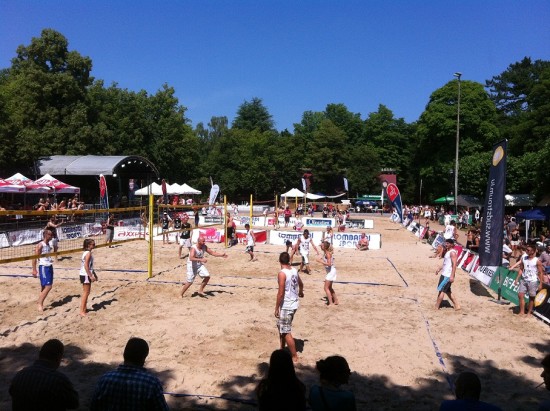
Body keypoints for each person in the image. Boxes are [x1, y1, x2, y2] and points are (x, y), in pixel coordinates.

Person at [90, 337, 168, 411]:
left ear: (124, 354)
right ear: (144, 358)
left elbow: (93, 407)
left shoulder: (104, 379)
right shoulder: (151, 383)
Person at [9, 338, 79, 410]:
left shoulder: (20, 375)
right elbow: (74, 404)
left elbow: (11, 392)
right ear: (58, 358)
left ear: (40, 354)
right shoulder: (59, 380)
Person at [275, 252, 304, 362]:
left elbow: (280, 293)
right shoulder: (294, 270)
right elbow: (301, 284)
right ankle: (282, 349)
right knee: (281, 326)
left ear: (280, 261)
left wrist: (276, 307)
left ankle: (294, 356)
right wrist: (300, 292)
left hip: (287, 305)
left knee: (286, 331)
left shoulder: (282, 273)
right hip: (294, 303)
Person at [513, 243, 544, 316]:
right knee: (520, 295)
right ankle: (522, 312)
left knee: (531, 297)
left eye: (528, 250)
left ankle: (529, 312)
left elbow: (540, 272)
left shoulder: (537, 261)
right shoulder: (524, 258)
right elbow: (521, 269)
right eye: (526, 249)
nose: (526, 251)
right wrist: (517, 279)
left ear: (533, 251)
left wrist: (541, 283)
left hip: (532, 281)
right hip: (524, 280)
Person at [32, 229, 55, 312]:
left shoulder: (48, 244)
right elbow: (34, 258)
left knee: (44, 286)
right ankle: (40, 303)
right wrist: (34, 270)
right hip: (43, 267)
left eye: (52, 234)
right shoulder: (40, 245)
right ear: (45, 235)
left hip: (49, 266)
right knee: (48, 286)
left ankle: (40, 301)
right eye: (50, 235)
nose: (51, 236)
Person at [435, 238, 461, 310]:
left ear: (452, 244)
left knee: (442, 291)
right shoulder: (448, 252)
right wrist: (439, 268)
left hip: (447, 275)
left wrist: (452, 276)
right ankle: (457, 305)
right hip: (444, 274)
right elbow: (446, 263)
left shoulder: (452, 253)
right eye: (446, 243)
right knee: (447, 291)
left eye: (448, 243)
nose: (446, 244)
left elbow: (454, 264)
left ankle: (437, 306)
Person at [317, 241, 339, 305]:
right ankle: (336, 301)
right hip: (331, 271)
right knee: (329, 288)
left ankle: (331, 303)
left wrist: (320, 261)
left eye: (322, 246)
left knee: (326, 288)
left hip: (331, 271)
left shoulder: (327, 254)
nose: (321, 246)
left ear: (325, 247)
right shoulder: (326, 253)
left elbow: (329, 264)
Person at [79, 238, 98, 316]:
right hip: (85, 274)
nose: (94, 245)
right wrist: (91, 276)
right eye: (93, 244)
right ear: (88, 245)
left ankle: (84, 309)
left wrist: (94, 274)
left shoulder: (86, 252)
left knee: (86, 292)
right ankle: (82, 311)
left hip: (84, 273)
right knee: (86, 293)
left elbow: (90, 266)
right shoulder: (88, 253)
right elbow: (86, 266)